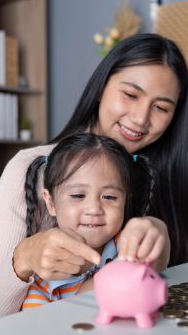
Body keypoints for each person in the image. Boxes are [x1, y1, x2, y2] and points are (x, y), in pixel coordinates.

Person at [0, 33, 188, 324]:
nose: (141, 119)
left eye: (160, 107)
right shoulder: (32, 167)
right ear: (101, 87)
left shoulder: (154, 172)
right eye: (130, 94)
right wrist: (22, 260)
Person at [22, 131, 156, 309]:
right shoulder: (44, 271)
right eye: (78, 195)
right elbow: (40, 330)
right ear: (51, 202)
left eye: (109, 197)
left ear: (126, 199)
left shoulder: (130, 245)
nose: (94, 209)